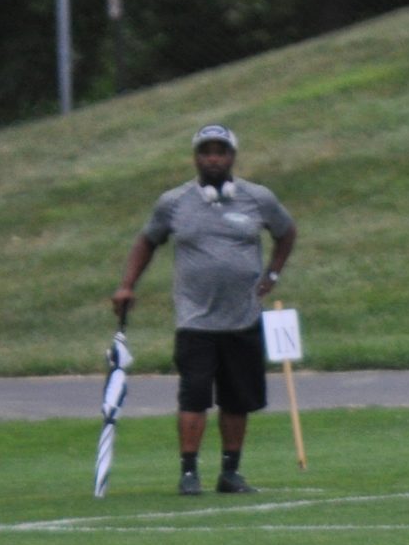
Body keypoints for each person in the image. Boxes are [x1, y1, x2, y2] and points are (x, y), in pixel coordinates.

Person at [112, 124, 296, 497]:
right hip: (195, 320)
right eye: (206, 151)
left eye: (221, 151)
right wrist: (127, 284)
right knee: (193, 396)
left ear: (232, 156)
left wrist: (272, 273)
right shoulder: (174, 203)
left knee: (236, 399)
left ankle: (230, 472)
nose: (213, 158)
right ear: (195, 157)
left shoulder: (257, 199)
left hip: (242, 318)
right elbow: (147, 241)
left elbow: (286, 231)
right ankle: (189, 473)